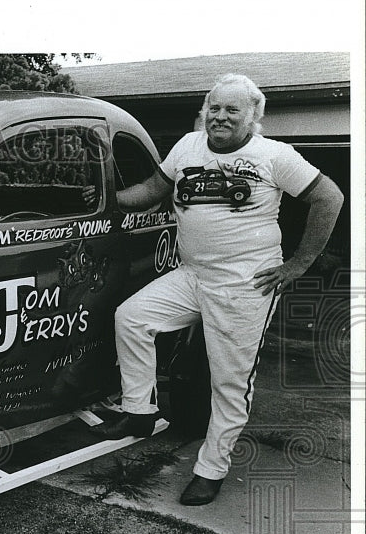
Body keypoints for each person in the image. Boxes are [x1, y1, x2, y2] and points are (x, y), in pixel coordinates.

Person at [91, 73, 344, 505]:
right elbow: (153, 190)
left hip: (245, 282)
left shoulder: (274, 155)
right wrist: (102, 196)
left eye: (232, 110)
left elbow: (330, 197)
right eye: (215, 108)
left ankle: (211, 469)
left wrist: (299, 264)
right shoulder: (188, 146)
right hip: (194, 274)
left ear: (253, 116)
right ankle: (139, 413)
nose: (220, 117)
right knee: (133, 318)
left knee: (229, 382)